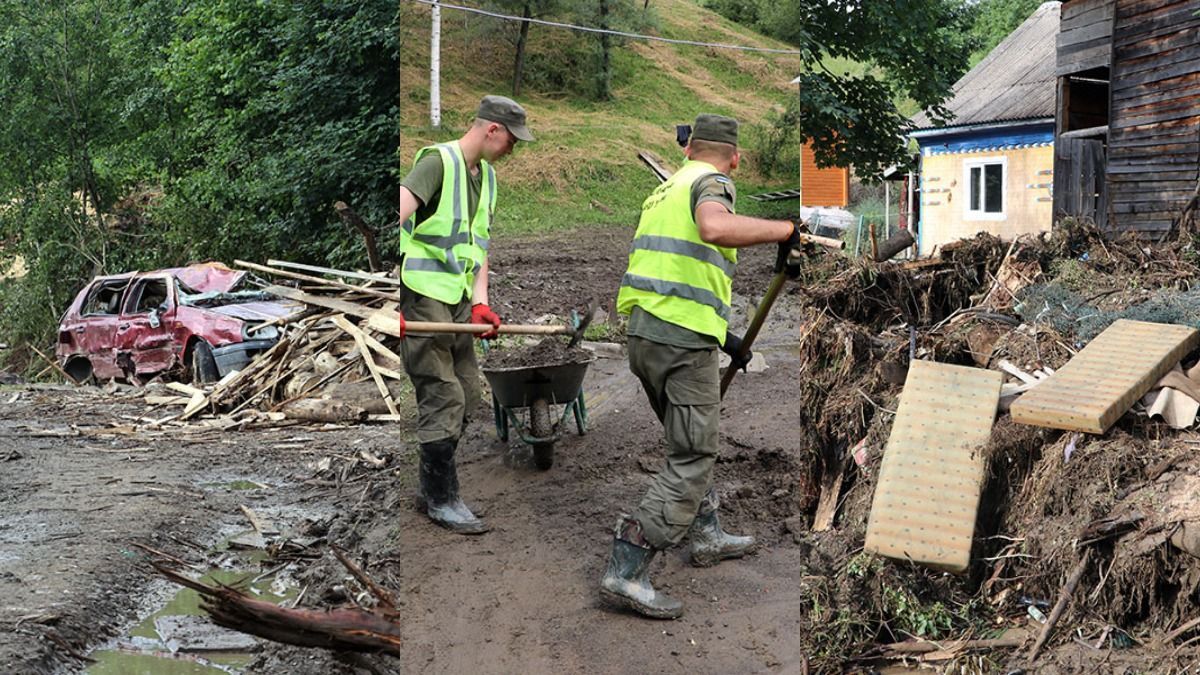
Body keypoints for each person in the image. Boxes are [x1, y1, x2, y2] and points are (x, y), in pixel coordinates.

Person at [599, 113, 806, 618]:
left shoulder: (666, 188)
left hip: (648, 336)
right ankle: (625, 571)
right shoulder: (713, 183)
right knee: (692, 454)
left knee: (683, 437)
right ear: (734, 157)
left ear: (688, 148)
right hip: (681, 345)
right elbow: (713, 227)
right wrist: (786, 230)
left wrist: (728, 338)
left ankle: (706, 533)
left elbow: (672, 271)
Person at [397, 95, 534, 535]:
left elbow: (478, 246)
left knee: (469, 394)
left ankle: (430, 485)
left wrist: (480, 301)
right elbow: (394, 215)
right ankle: (441, 498)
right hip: (421, 295)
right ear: (491, 129)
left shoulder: (488, 179)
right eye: (511, 139)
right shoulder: (438, 163)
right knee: (443, 395)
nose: (514, 149)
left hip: (456, 297)